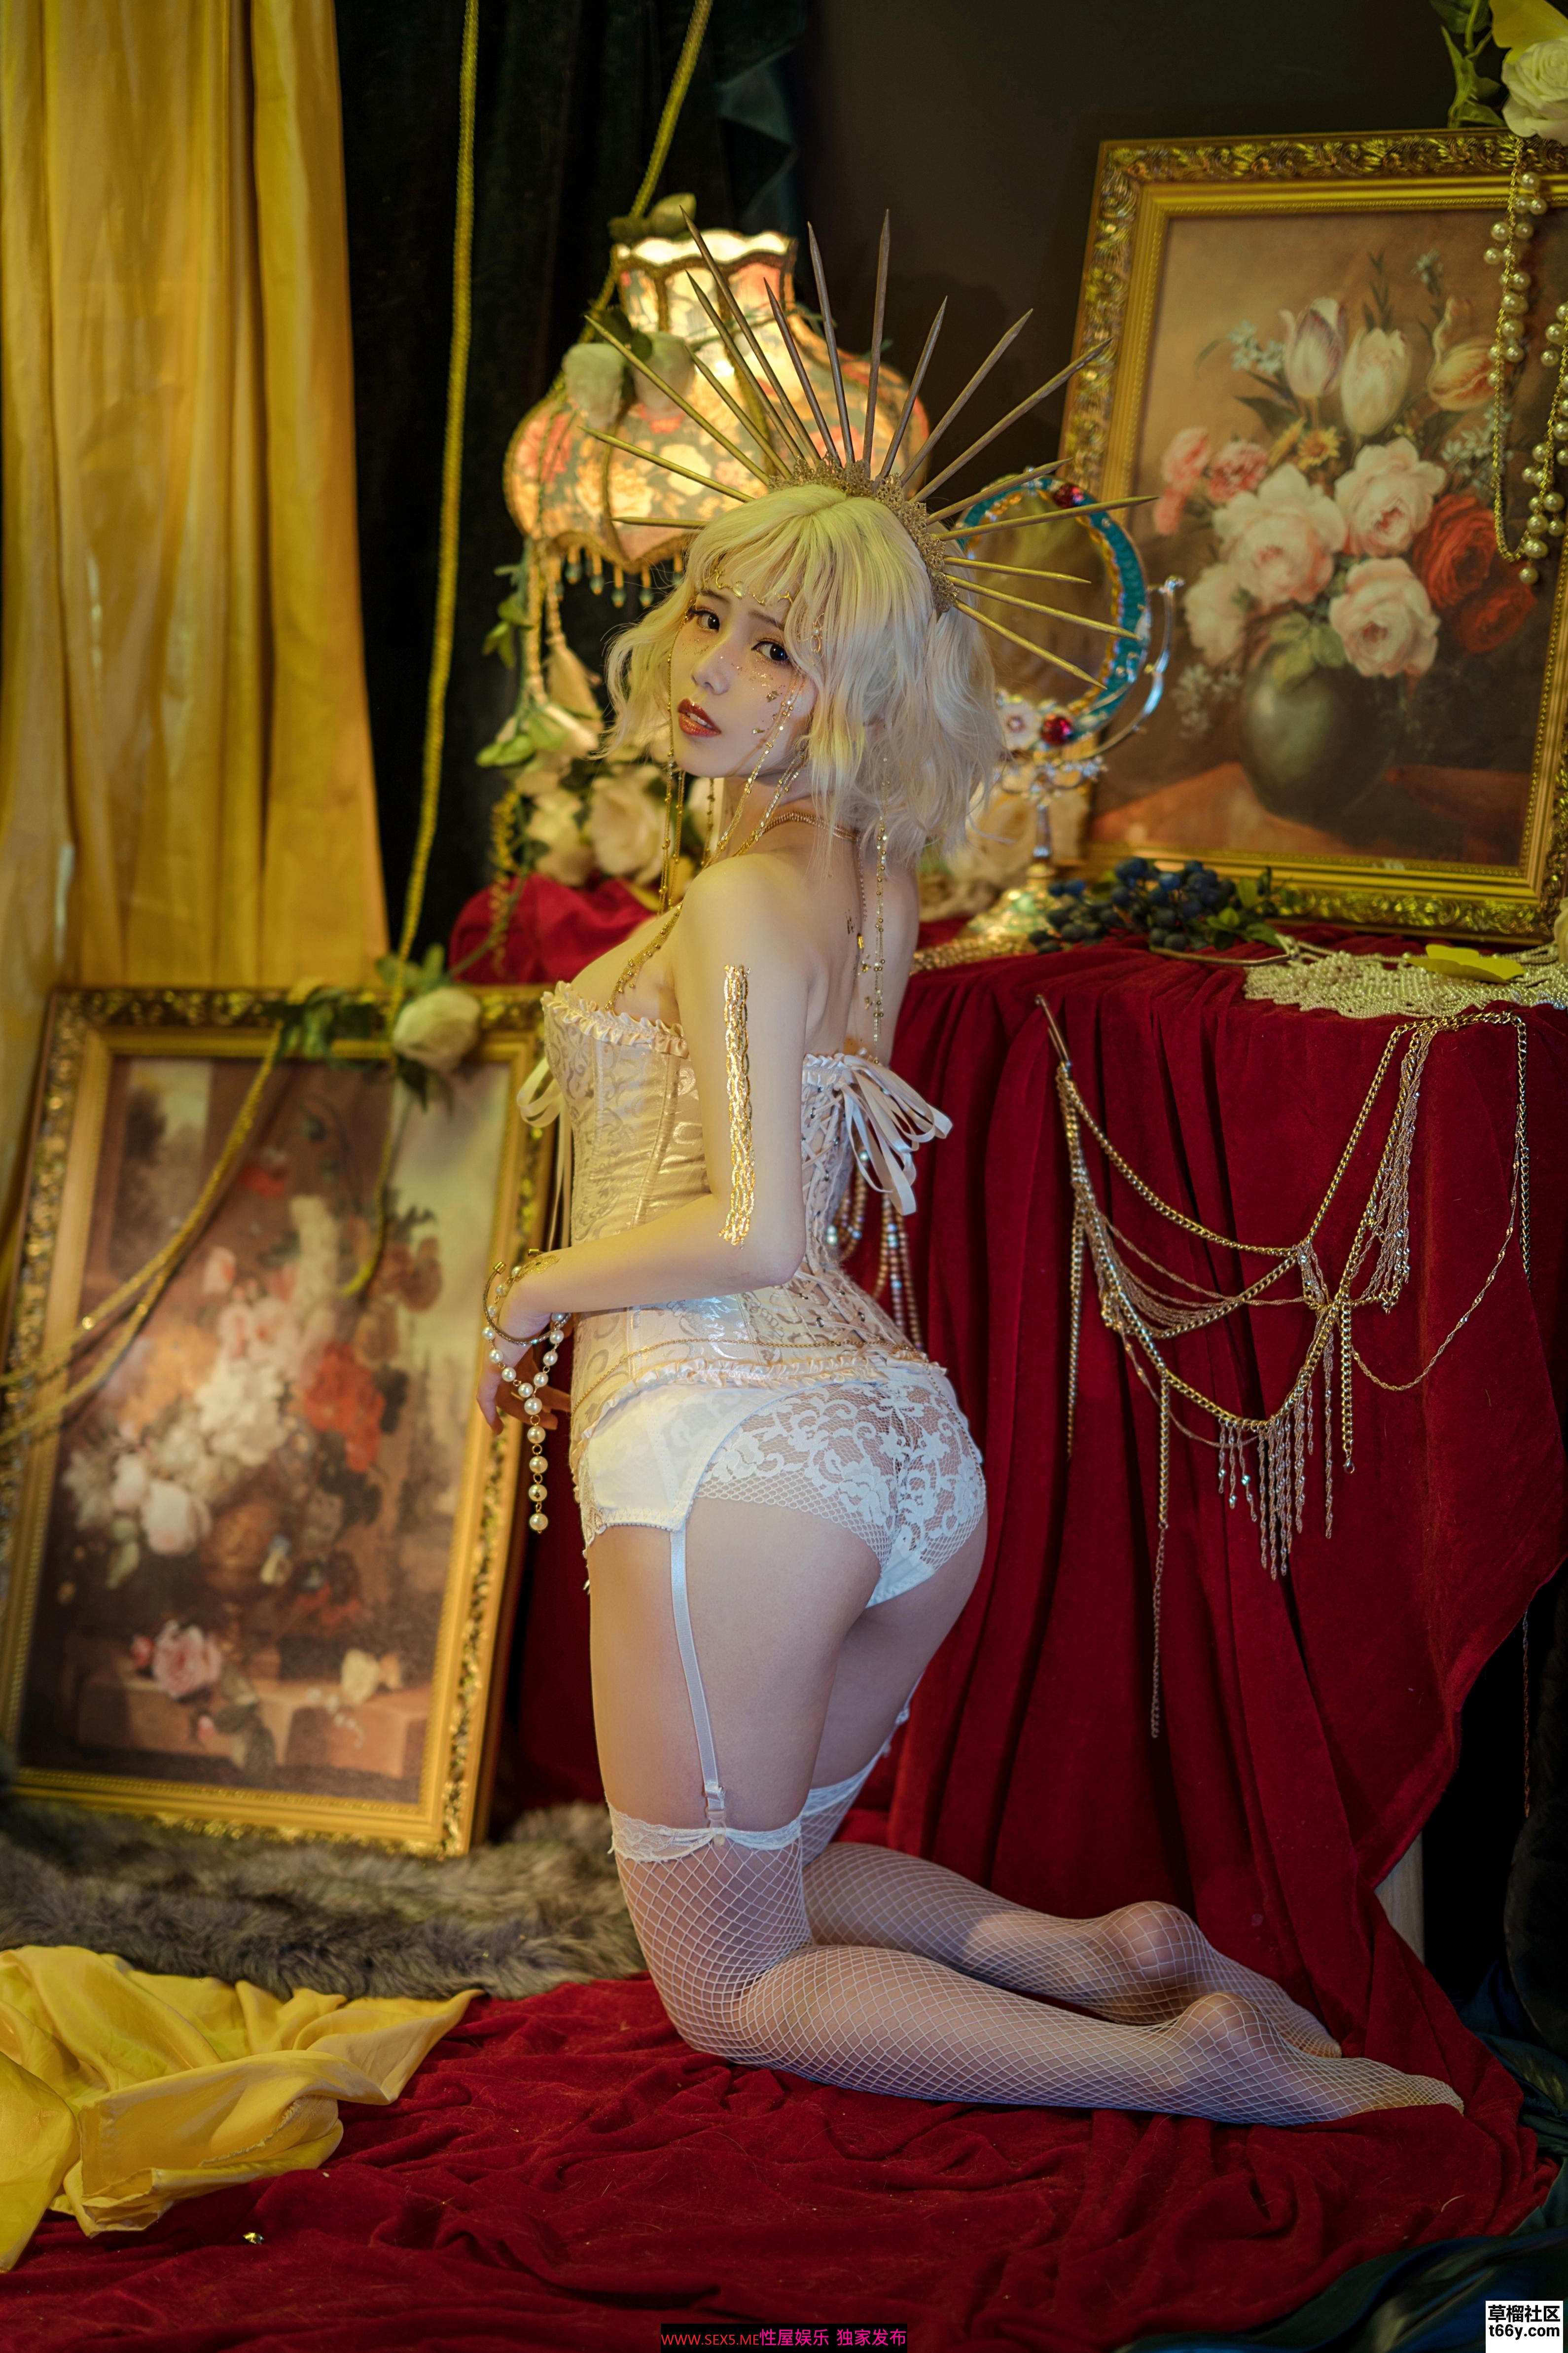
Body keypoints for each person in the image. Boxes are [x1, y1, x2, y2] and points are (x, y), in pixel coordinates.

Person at [476, 239, 1460, 2126]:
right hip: (897, 1454)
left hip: (725, 1441)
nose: (711, 666)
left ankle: (1180, 2067)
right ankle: (1102, 1953)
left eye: (778, 649)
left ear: (849, 692)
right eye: (709, 613)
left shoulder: (744, 897)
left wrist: (534, 1284)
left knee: (730, 1986)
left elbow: (755, 1226)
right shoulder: (866, 876)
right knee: (772, 1872)